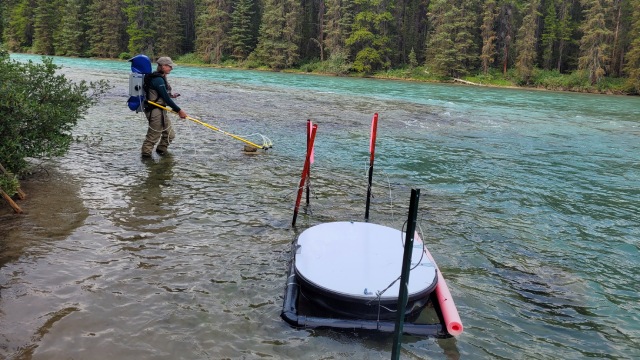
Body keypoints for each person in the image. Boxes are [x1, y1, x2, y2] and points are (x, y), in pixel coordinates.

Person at [141, 57, 188, 157]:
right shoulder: (157, 79)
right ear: (163, 66)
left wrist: (172, 95)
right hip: (154, 111)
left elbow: (164, 95)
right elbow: (166, 99)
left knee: (170, 134)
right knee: (153, 136)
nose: (171, 68)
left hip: (161, 110)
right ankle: (146, 158)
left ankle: (161, 150)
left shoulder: (161, 78)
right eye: (169, 66)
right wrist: (179, 111)